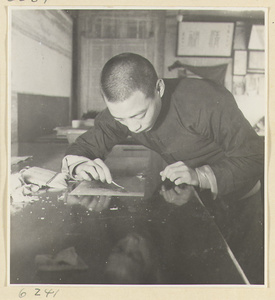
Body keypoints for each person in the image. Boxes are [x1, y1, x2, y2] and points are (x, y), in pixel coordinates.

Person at [62, 53, 264, 283]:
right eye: (121, 119)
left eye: (139, 115)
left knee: (238, 280)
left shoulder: (204, 100)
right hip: (189, 203)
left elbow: (256, 157)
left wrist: (200, 175)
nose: (133, 127)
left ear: (158, 88)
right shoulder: (127, 108)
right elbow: (85, 144)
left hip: (237, 203)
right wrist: (80, 165)